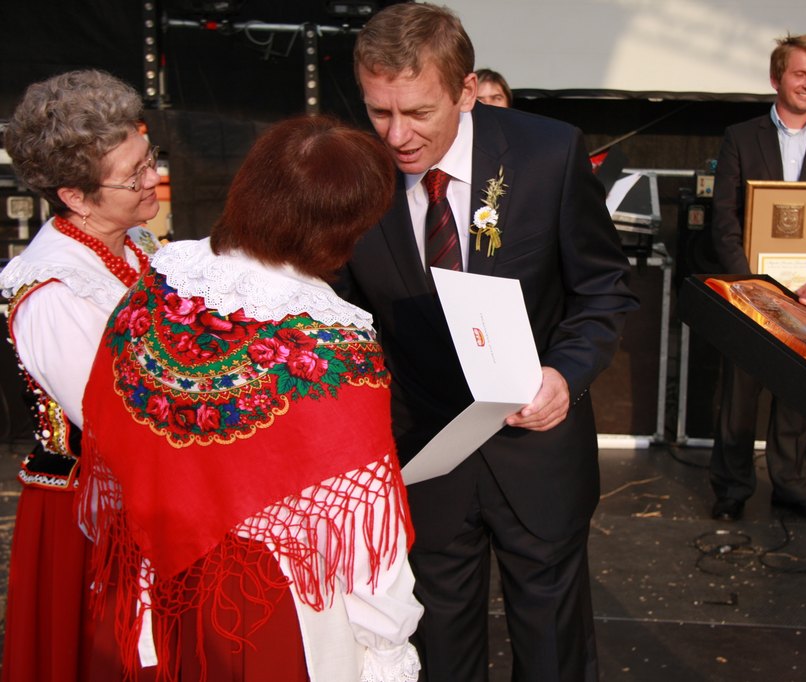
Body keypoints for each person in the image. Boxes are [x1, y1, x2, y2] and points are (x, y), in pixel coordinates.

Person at [336, 4, 638, 680]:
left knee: (554, 655)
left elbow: (603, 290)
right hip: (424, 460)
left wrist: (564, 374)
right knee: (440, 657)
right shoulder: (351, 170)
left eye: (418, 112)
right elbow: (342, 312)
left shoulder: (548, 154)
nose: (397, 136)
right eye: (379, 112)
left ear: (467, 91)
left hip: (539, 458)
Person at [76, 115, 424, 681]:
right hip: (264, 601)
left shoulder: (163, 276)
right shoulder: (335, 342)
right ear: (345, 228)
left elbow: (107, 415)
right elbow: (365, 533)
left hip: (147, 569)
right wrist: (389, 648)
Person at [0, 70, 162, 681]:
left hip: (150, 496)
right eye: (133, 175)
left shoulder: (136, 241)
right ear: (75, 196)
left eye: (148, 159)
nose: (152, 179)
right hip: (88, 518)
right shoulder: (52, 292)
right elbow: (119, 419)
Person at [709, 34, 806, 522]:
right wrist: (748, 285)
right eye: (800, 74)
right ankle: (732, 488)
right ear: (777, 78)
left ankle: (789, 484)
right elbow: (724, 216)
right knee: (738, 396)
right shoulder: (741, 136)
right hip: (750, 292)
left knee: (799, 393)